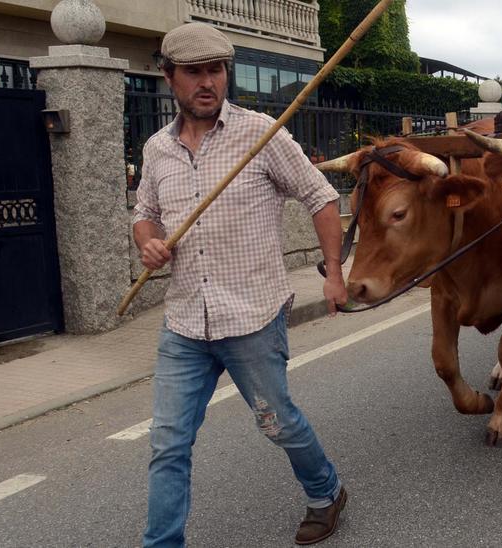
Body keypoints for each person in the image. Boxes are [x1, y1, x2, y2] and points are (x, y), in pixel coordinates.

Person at [131, 23, 349, 547]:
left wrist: (335, 273)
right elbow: (144, 213)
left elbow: (321, 197)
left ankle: (326, 492)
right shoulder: (157, 148)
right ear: (169, 77)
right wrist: (148, 242)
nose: (207, 82)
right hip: (185, 321)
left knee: (278, 424)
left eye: (216, 70)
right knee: (168, 442)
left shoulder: (262, 134)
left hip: (252, 315)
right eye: (194, 72)